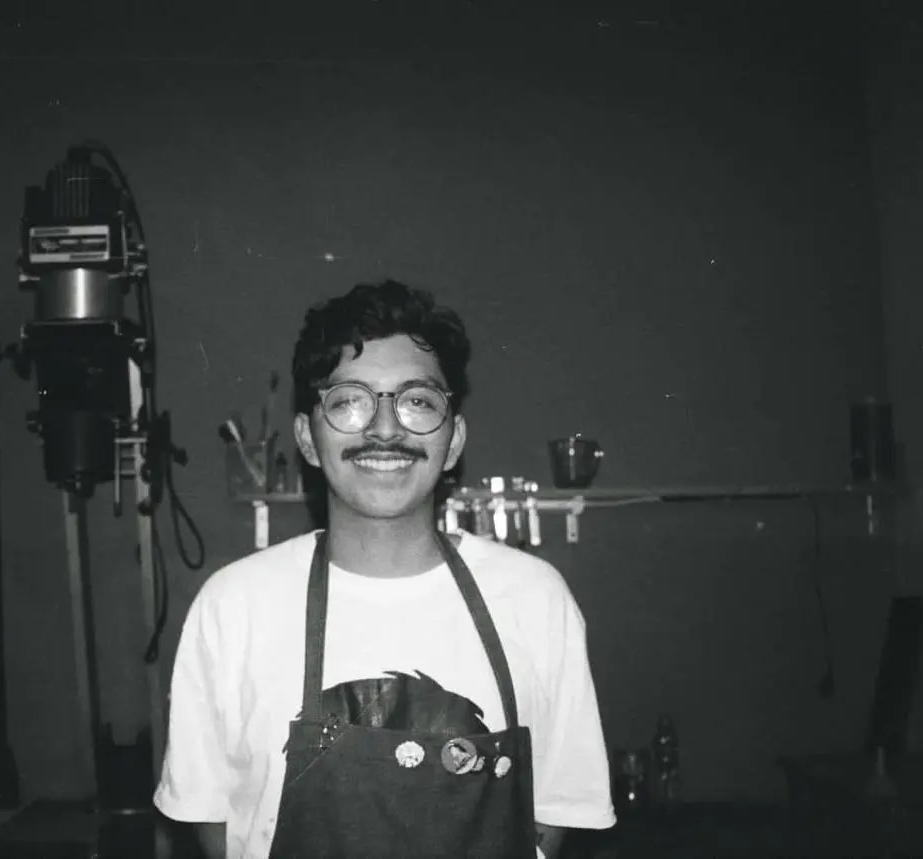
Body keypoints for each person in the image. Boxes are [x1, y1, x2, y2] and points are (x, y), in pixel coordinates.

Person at [154, 280, 615, 858]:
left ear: (453, 440)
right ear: (308, 438)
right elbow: (212, 817)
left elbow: (555, 811)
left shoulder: (534, 598)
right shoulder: (233, 606)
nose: (385, 429)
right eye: (350, 400)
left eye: (417, 401)